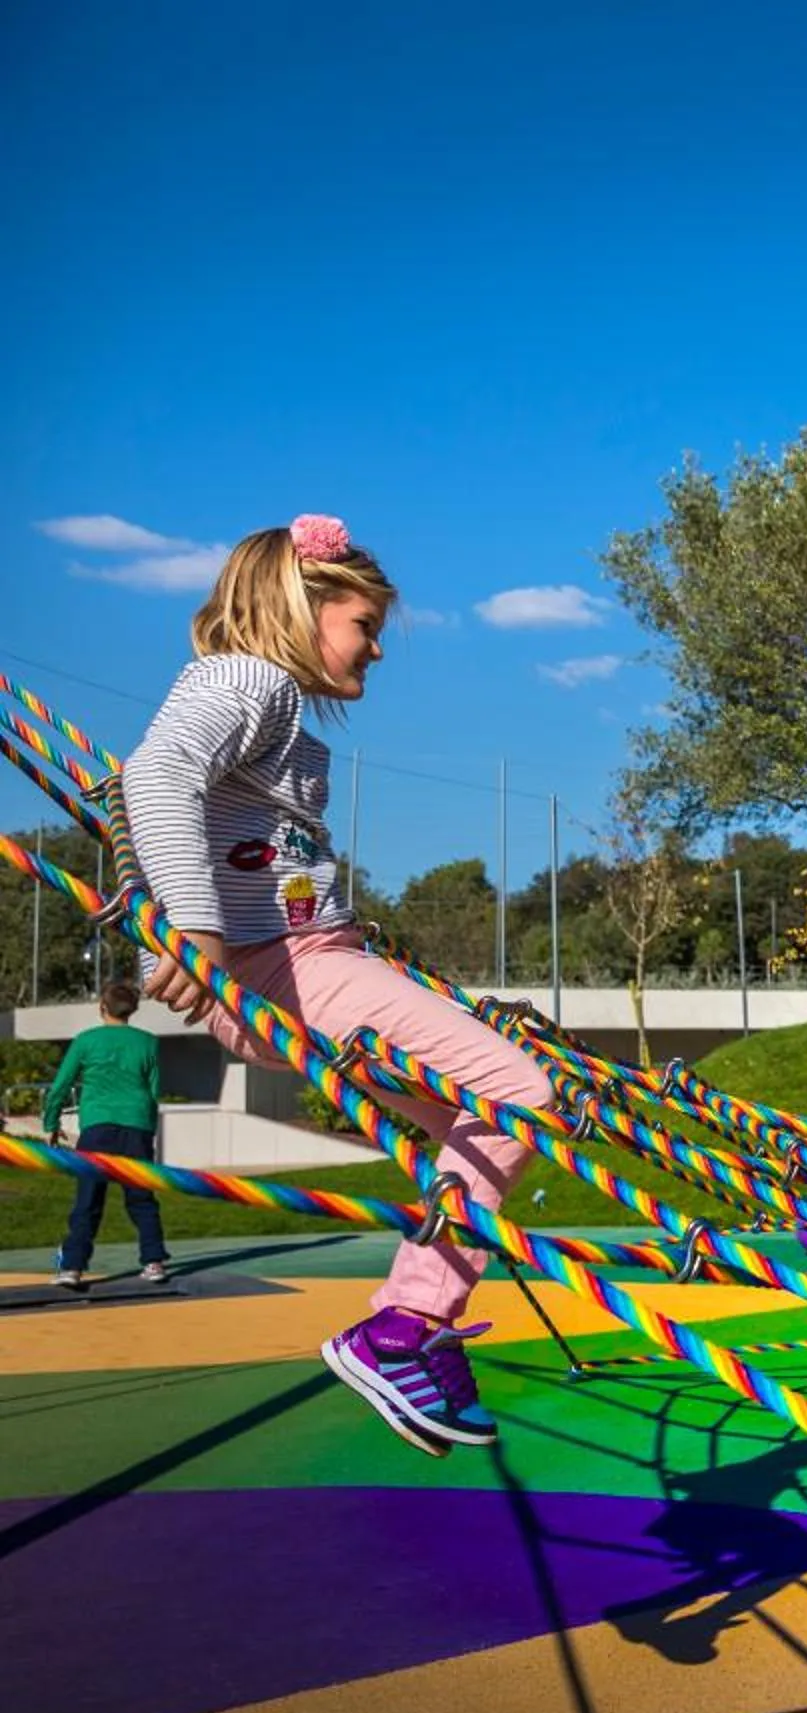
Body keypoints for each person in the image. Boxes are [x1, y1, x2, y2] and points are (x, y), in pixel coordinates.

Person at [115, 515, 554, 1456]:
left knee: (469, 1135)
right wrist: (198, 930)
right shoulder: (252, 678)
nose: (378, 646)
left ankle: (419, 1331)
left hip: (312, 963)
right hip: (294, 969)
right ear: (300, 608)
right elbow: (154, 778)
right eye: (364, 623)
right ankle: (403, 1326)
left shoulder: (269, 699)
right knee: (521, 1090)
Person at [43, 979, 173, 1286]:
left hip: (98, 1130)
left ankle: (72, 1267)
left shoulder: (86, 1040)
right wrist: (148, 1131)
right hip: (136, 1127)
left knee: (88, 1199)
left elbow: (61, 1085)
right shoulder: (148, 1042)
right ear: (132, 1010)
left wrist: (51, 1124)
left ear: (103, 1007)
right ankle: (154, 1263)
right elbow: (154, 1092)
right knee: (141, 1198)